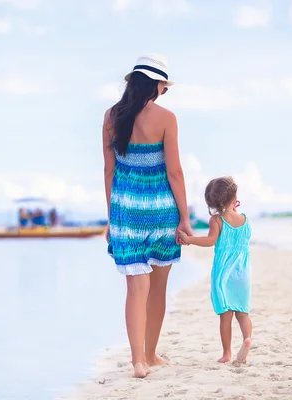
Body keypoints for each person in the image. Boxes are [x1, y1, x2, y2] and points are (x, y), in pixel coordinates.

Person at [103, 53, 193, 378]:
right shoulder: (167, 118)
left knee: (135, 290)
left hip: (126, 210)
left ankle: (139, 361)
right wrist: (185, 218)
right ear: (156, 85)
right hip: (160, 210)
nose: (163, 92)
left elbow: (109, 170)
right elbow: (175, 172)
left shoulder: (111, 117)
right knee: (158, 290)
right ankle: (152, 354)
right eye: (164, 87)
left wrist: (112, 219)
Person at [178, 177, 253, 364]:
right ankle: (247, 339)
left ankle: (227, 353)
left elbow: (210, 241)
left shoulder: (217, 220)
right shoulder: (245, 219)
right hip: (243, 273)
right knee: (243, 313)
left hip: (224, 275)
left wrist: (190, 239)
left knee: (225, 316)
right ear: (234, 197)